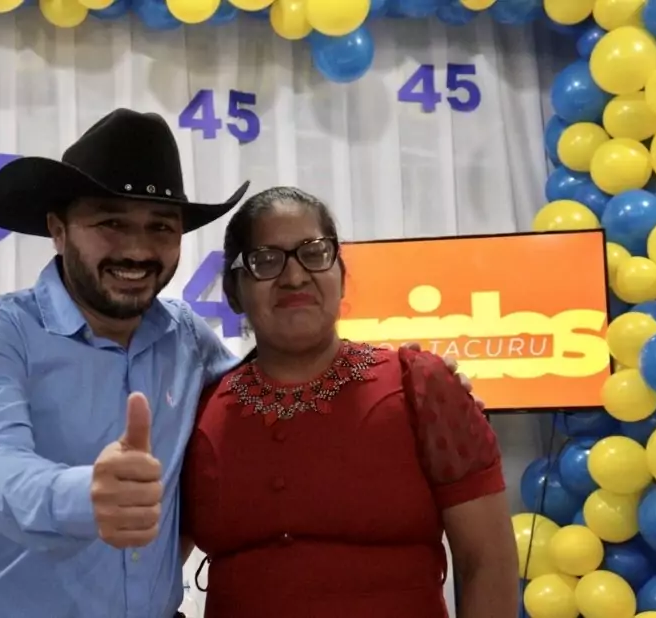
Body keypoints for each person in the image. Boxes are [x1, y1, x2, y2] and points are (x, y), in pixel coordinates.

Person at [0, 108, 481, 617]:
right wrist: (79, 496)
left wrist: (425, 388)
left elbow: (280, 374)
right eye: (111, 222)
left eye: (160, 227)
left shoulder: (186, 340)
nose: (137, 249)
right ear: (58, 230)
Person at [179, 187, 518, 617]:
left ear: (340, 273)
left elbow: (488, 562)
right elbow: (152, 561)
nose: (295, 276)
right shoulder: (199, 409)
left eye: (314, 253)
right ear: (233, 289)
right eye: (266, 260)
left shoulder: (421, 387)